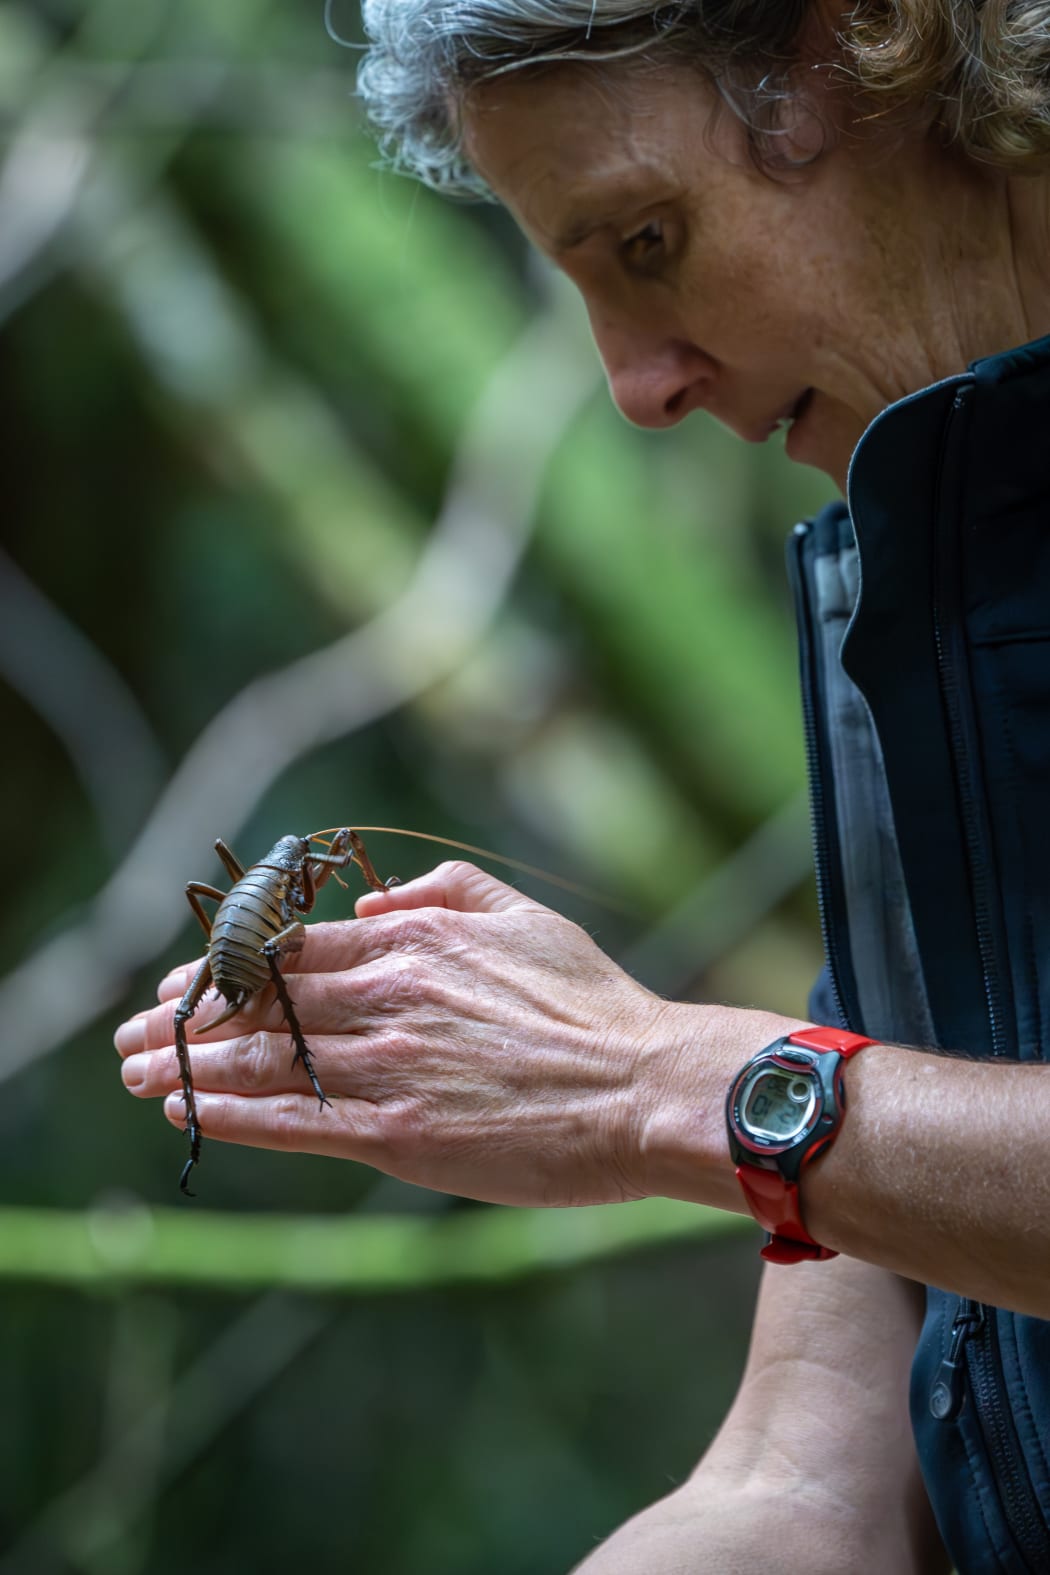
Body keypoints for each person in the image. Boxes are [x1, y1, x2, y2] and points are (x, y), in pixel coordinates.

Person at [115, 2, 1050, 1569]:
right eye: (582, 290)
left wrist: (667, 1082)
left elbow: (733, 1101)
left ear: (877, 37)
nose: (634, 385)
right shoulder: (911, 600)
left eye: (645, 241)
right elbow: (802, 1486)